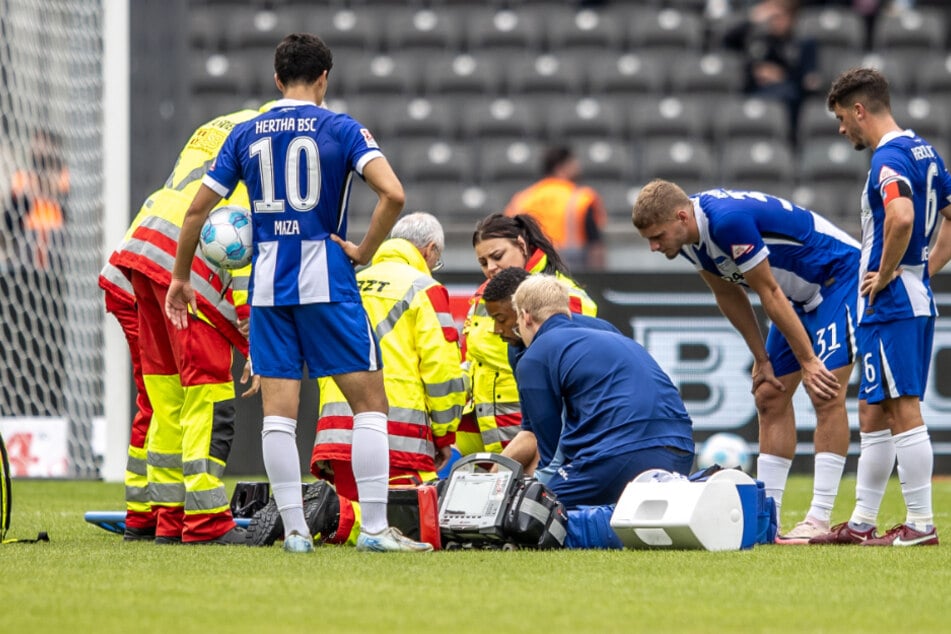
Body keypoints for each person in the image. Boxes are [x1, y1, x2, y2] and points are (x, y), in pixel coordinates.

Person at [165, 33, 432, 553]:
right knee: (370, 406)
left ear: (275, 79)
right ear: (325, 78)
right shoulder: (342, 129)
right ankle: (375, 531)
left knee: (278, 417)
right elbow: (394, 194)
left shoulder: (247, 133)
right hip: (326, 279)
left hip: (268, 287)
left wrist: (180, 278)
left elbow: (196, 211)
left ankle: (294, 533)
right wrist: (365, 249)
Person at [632, 179, 857, 544]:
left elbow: (767, 290)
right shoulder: (688, 240)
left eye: (657, 236)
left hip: (838, 279)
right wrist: (761, 359)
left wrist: (809, 361)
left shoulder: (727, 222)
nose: (654, 247)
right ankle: (769, 517)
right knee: (769, 396)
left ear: (681, 215)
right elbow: (727, 292)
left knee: (825, 391)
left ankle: (819, 517)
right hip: (794, 297)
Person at [104, 107, 262, 544]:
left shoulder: (218, 125)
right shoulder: (266, 146)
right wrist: (253, 334)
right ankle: (206, 521)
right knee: (207, 397)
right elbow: (247, 246)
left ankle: (163, 518)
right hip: (189, 273)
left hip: (142, 249)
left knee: (165, 396)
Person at [810, 67, 950, 546]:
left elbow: (902, 217)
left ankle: (921, 524)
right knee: (872, 409)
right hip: (907, 295)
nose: (841, 129)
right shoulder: (925, 152)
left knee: (901, 406)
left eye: (842, 119)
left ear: (860, 110)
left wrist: (892, 271)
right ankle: (863, 522)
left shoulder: (887, 159)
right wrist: (925, 269)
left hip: (891, 301)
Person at [501, 274, 695, 508]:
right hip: (681, 450)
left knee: (532, 513)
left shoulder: (536, 355)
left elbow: (548, 452)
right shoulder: (608, 331)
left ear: (525, 316)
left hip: (621, 456)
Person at [310, 212, 466, 498]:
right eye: (436, 260)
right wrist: (445, 435)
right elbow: (442, 373)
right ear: (430, 250)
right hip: (398, 436)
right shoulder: (425, 288)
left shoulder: (349, 283)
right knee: (407, 523)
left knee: (349, 518)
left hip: (337, 429)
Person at [459, 212, 597, 457]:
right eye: (483, 262)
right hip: (485, 431)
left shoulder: (562, 294)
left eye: (497, 256)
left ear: (521, 245)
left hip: (531, 430)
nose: (491, 268)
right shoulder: (484, 297)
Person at [482, 265, 621, 484]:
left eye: (501, 319)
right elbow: (532, 433)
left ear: (522, 311)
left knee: (535, 496)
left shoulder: (538, 354)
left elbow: (549, 450)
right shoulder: (518, 349)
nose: (497, 330)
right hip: (586, 445)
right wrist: (489, 482)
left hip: (607, 445)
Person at [721, 0, 821, 140]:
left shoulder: (803, 44)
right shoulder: (760, 41)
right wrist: (752, 19)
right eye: (773, 17)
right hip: (757, 94)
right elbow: (727, 41)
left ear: (792, 18)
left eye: (781, 17)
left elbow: (809, 83)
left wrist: (782, 76)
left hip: (789, 101)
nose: (777, 22)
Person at [504, 145, 607, 272]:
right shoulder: (581, 198)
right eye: (573, 163)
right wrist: (598, 278)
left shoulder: (521, 198)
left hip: (529, 271)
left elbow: (506, 240)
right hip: (571, 271)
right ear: (560, 168)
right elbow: (595, 246)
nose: (578, 167)